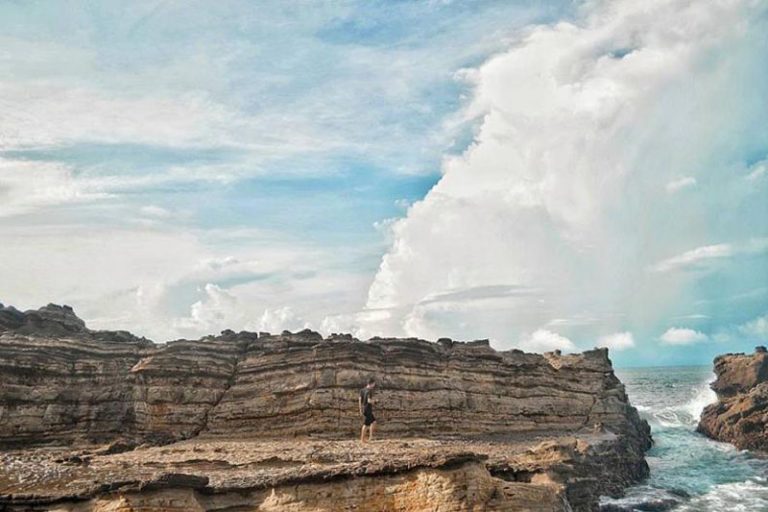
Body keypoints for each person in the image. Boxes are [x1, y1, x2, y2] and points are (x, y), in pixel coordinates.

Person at [359, 377, 376, 443]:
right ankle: (362, 439)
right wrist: (375, 401)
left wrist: (360, 410)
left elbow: (360, 400)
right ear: (372, 383)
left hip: (364, 409)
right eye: (374, 384)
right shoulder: (369, 391)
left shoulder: (362, 390)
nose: (374, 385)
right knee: (366, 425)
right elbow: (369, 401)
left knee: (374, 422)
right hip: (368, 409)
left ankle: (370, 437)